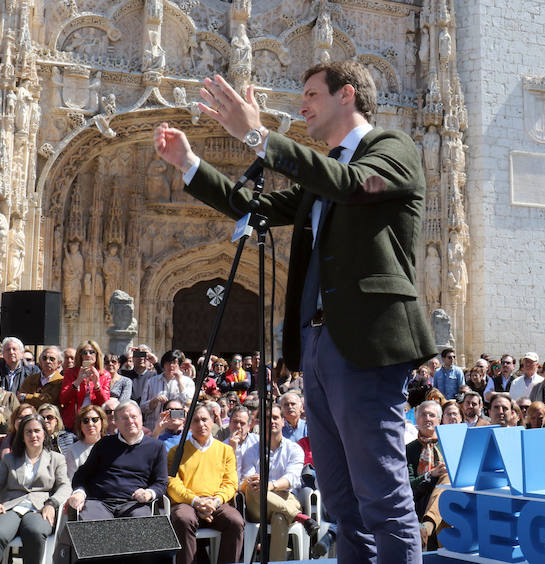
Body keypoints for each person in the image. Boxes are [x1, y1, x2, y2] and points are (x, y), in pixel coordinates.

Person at [156, 60, 436, 562]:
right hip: (319, 345)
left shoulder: (391, 150)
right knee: (343, 501)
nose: (301, 104)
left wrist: (258, 135)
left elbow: (352, 187)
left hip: (368, 343)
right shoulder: (325, 172)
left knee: (383, 497)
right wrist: (189, 164)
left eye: (310, 93)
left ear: (346, 95)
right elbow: (255, 207)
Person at [0, 413, 70, 564]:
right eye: (28, 431)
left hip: (40, 508)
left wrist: (52, 503)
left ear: (44, 433)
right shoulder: (10, 459)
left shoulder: (57, 459)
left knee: (35, 532)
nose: (33, 435)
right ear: (22, 436)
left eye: (37, 430)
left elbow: (65, 486)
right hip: (10, 506)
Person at [167, 405, 245, 564]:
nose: (201, 424)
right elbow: (172, 484)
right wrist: (196, 501)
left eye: (204, 419)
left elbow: (231, 483)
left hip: (216, 502)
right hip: (187, 503)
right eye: (195, 420)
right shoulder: (176, 451)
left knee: (236, 521)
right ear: (189, 425)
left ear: (212, 421)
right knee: (183, 519)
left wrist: (215, 501)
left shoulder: (226, 450)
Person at [239, 405, 315, 561]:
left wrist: (270, 485)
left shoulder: (294, 449)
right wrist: (262, 485)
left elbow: (293, 478)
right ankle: (299, 516)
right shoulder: (250, 450)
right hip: (257, 503)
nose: (272, 421)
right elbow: (250, 479)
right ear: (261, 422)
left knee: (280, 517)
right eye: (267, 418)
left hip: (286, 496)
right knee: (253, 488)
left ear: (282, 421)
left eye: (275, 418)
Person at [67, 401, 168, 519]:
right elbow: (82, 474)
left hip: (135, 504)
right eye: (124, 418)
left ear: (141, 419)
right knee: (94, 528)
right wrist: (79, 492)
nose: (130, 421)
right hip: (100, 502)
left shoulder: (156, 447)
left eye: (134, 417)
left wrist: (149, 493)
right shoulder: (104, 444)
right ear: (116, 423)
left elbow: (161, 483)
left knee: (140, 528)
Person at [405, 401, 448, 550]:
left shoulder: (448, 444)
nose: (427, 418)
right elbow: (409, 484)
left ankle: (428, 525)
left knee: (448, 476)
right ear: (416, 420)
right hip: (421, 497)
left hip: (447, 496)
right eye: (423, 414)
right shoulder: (409, 449)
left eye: (432, 415)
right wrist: (430, 474)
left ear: (439, 420)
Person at [59, 340, 111, 431]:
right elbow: (63, 399)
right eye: (84, 352)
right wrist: (78, 381)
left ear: (97, 354)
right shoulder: (70, 372)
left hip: (94, 420)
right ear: (80, 356)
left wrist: (97, 384)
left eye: (92, 352)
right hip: (74, 420)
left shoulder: (104, 375)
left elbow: (105, 403)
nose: (88, 355)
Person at [140, 350, 194, 429]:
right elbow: (143, 408)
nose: (171, 366)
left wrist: (179, 382)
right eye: (168, 363)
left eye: (174, 363)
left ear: (179, 365)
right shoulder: (151, 381)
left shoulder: (187, 382)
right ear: (163, 364)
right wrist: (154, 401)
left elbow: (188, 404)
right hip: (153, 427)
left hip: (176, 429)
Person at [0, 403, 36, 483]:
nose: (23, 421)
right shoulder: (1, 442)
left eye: (27, 417)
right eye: (19, 417)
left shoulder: (37, 443)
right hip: (2, 488)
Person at [63, 405, 105, 478]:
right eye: (85, 421)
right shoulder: (73, 450)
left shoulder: (111, 445)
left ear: (102, 422)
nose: (90, 424)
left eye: (94, 419)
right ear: (80, 425)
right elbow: (72, 480)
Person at [223, 406, 257, 474]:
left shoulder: (257, 443)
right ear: (229, 424)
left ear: (249, 426)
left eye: (242, 423)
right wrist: (232, 450)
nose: (238, 426)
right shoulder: (222, 447)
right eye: (235, 422)